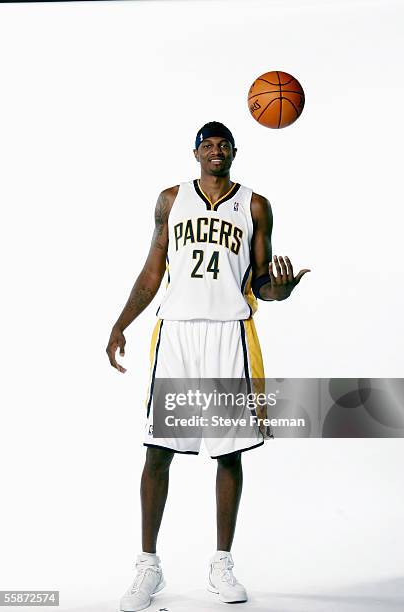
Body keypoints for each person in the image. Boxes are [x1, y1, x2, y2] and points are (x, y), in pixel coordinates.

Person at [106, 121, 310, 611]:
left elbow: (260, 281)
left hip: (228, 334)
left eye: (224, 145)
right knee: (159, 450)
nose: (216, 151)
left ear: (234, 152)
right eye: (208, 145)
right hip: (176, 332)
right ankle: (147, 566)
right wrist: (121, 323)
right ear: (195, 152)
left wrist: (279, 290)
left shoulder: (255, 205)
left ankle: (222, 563)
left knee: (229, 453)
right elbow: (154, 268)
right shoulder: (170, 200)